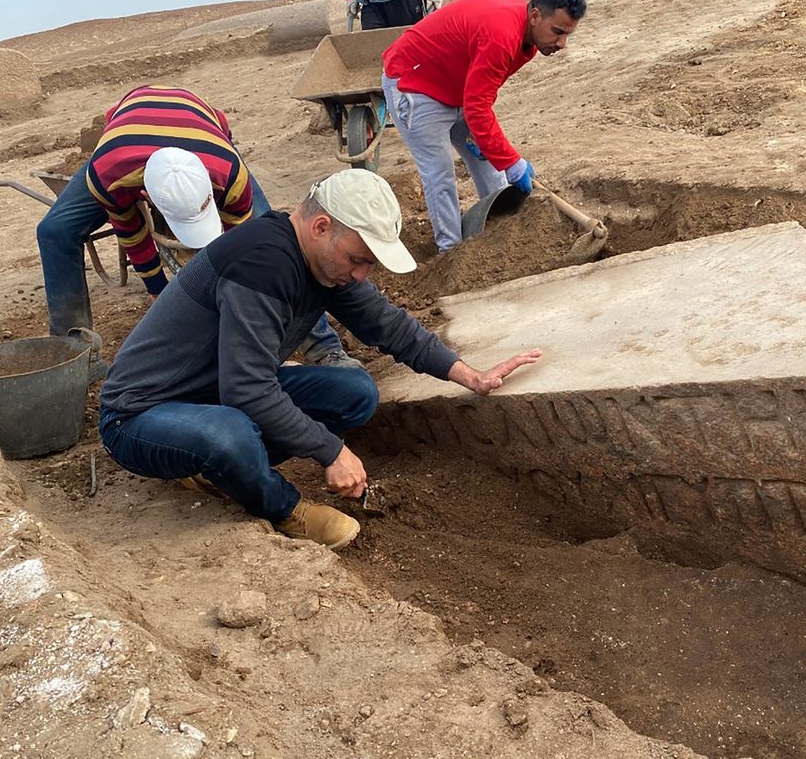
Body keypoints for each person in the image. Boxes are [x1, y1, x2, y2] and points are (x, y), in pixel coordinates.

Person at [98, 169, 540, 550]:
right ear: (321, 226)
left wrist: (470, 375)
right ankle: (284, 508)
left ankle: (219, 471)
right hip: (140, 417)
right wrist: (332, 452)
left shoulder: (322, 262)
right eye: (358, 260)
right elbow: (247, 389)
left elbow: (387, 324)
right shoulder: (261, 265)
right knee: (230, 433)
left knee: (355, 393)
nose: (361, 275)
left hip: (212, 398)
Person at [35, 84, 357, 370]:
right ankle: (74, 358)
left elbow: (248, 246)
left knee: (275, 238)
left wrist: (237, 299)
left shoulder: (229, 172)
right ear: (144, 195)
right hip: (126, 139)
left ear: (208, 185)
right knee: (54, 232)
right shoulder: (109, 174)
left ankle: (324, 347)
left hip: (203, 126)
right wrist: (158, 291)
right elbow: (132, 233)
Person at [381, 0, 586, 252]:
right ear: (536, 15)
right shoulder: (503, 35)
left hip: (454, 88)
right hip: (413, 82)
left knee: (491, 165)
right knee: (440, 173)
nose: (562, 44)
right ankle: (451, 253)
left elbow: (480, 97)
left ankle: (501, 234)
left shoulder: (528, 38)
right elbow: (478, 108)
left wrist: (495, 151)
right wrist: (513, 161)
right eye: (558, 31)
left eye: (567, 35)